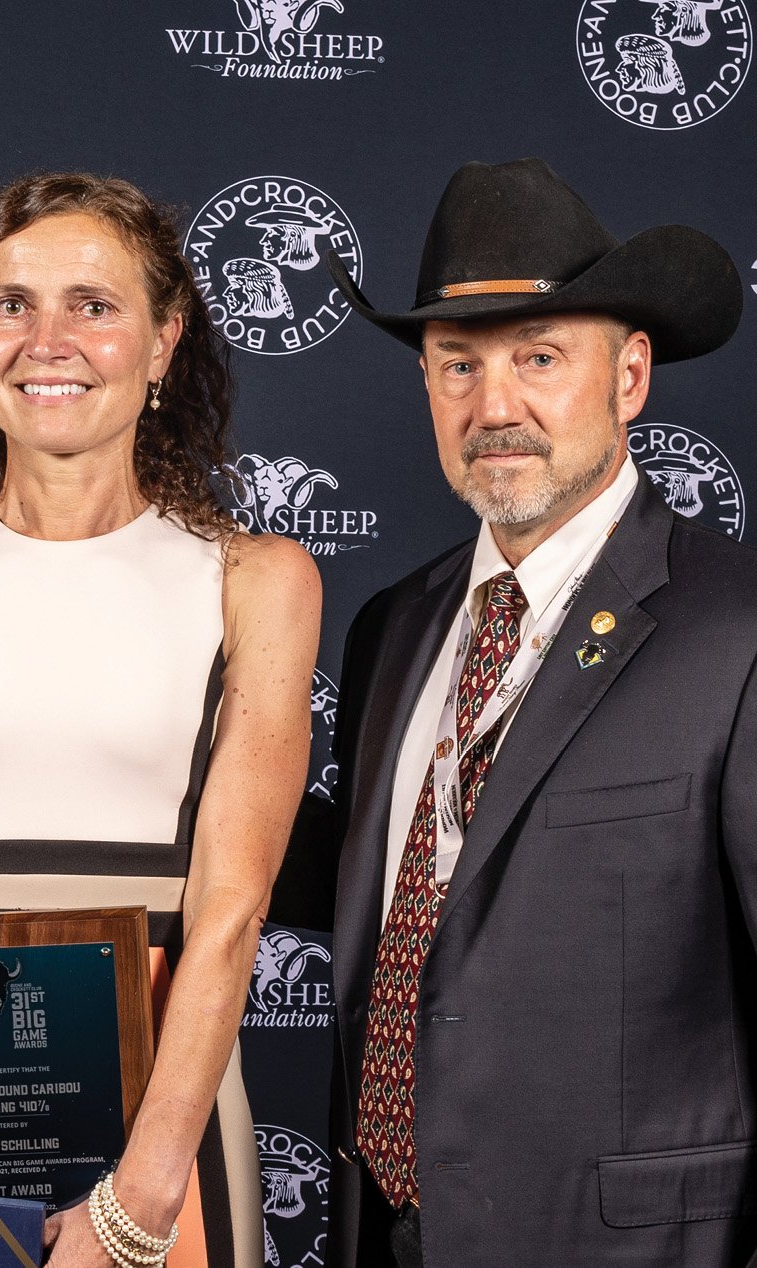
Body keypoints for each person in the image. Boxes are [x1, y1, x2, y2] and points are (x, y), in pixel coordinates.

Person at [0, 172, 321, 1267]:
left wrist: (141, 1196)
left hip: (157, 1140)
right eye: (11, 304)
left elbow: (231, 908)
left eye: (93, 304)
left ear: (166, 340)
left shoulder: (255, 580)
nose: (49, 339)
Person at [322, 157, 755, 1266]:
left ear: (631, 376)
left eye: (540, 358)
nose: (494, 405)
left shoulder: (738, 630)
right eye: (457, 364)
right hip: (390, 1231)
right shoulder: (391, 628)